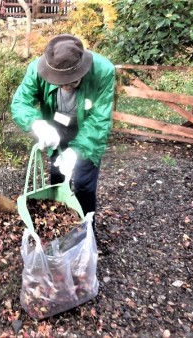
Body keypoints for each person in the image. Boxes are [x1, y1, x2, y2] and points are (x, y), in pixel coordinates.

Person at [10, 34, 115, 230]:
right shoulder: (37, 69)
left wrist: (77, 151)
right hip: (56, 128)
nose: (66, 87)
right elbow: (20, 103)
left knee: (84, 183)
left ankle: (86, 231)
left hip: (88, 130)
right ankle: (60, 228)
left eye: (72, 82)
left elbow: (99, 120)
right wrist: (37, 124)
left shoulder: (103, 70)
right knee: (57, 176)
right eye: (60, 82)